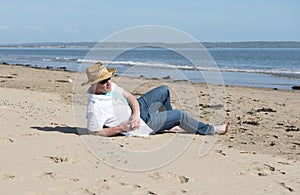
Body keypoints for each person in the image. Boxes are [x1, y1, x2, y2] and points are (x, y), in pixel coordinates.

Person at [82, 62, 229, 137]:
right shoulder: (95, 107)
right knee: (180, 115)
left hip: (137, 111)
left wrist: (136, 112)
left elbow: (130, 97)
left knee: (164, 89)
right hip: (142, 124)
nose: (108, 83)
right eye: (103, 81)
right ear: (94, 85)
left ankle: (169, 124)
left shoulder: (109, 86)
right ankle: (211, 130)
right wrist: (121, 128)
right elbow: (94, 133)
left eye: (108, 78)